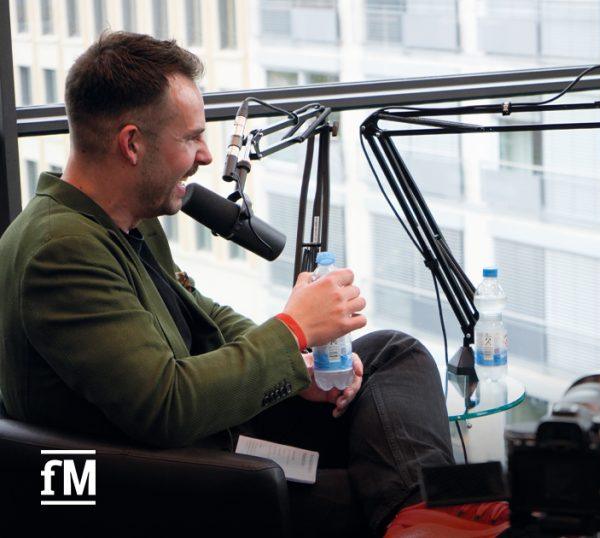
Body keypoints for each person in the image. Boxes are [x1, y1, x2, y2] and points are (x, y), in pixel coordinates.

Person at [0, 32, 508, 537]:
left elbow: (205, 315)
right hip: (166, 479)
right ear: (131, 144)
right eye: (191, 137)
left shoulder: (125, 220)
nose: (205, 155)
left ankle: (422, 514)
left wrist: (301, 364)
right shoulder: (60, 252)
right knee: (375, 485)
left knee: (391, 353)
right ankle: (428, 514)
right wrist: (292, 331)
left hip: (207, 434)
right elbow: (167, 406)